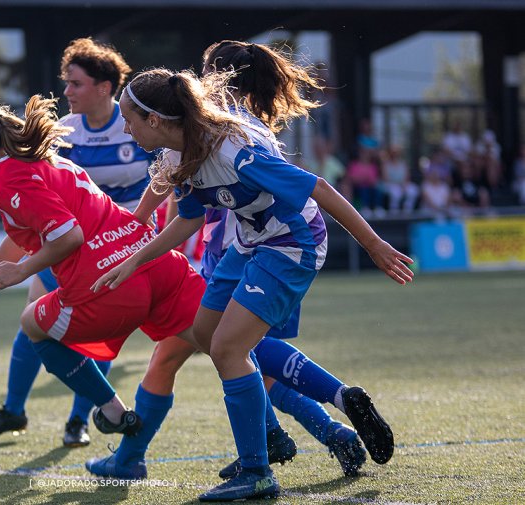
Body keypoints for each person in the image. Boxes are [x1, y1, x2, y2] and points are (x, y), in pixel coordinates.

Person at [92, 68, 413, 501]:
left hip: (292, 243)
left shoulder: (232, 152)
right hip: (250, 240)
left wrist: (373, 245)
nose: (125, 127)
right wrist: (135, 261)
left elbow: (317, 187)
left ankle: (257, 471)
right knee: (206, 334)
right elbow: (188, 219)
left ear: (154, 120)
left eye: (129, 119)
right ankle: (278, 436)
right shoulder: (177, 156)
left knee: (228, 348)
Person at [0, 92, 206, 448]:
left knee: (33, 323)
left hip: (106, 284)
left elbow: (68, 236)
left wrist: (21, 272)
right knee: (229, 348)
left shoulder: (7, 181)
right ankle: (274, 431)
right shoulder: (42, 160)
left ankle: (108, 411)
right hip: (149, 264)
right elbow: (31, 235)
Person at [0, 38, 156, 448]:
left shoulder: (136, 128)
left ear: (105, 88)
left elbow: (166, 185)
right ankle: (14, 409)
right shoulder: (64, 132)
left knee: (87, 329)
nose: (67, 92)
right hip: (70, 246)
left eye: (76, 83)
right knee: (34, 320)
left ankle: (78, 420)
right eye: (66, 83)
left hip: (120, 247)